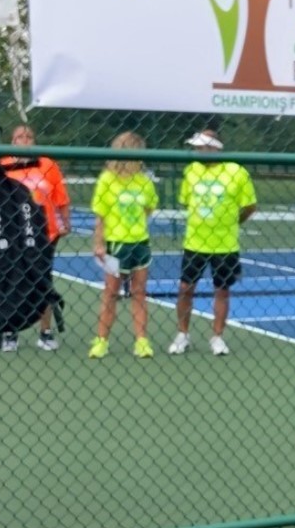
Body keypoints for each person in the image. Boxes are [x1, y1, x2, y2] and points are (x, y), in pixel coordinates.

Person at [170, 129, 257, 356]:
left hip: (225, 244)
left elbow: (249, 207)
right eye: (196, 148)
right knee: (185, 288)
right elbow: (187, 203)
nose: (196, 151)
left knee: (222, 290)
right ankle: (182, 334)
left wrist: (232, 223)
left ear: (214, 148)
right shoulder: (191, 170)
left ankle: (217, 337)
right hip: (195, 243)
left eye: (200, 148)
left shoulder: (237, 172)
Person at [0, 124, 72, 351]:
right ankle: (11, 331)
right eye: (20, 136)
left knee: (42, 282)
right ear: (12, 142)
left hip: (44, 234)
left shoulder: (48, 165)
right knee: (11, 282)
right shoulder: (3, 166)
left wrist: (65, 222)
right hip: (14, 235)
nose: (25, 140)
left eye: (29, 136)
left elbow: (61, 198)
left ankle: (45, 332)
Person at [88, 131, 158, 359]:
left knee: (139, 293)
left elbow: (149, 208)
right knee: (110, 293)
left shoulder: (144, 180)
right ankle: (101, 341)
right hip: (115, 245)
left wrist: (136, 227)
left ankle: (141, 341)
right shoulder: (107, 180)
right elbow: (101, 216)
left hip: (140, 243)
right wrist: (99, 243)